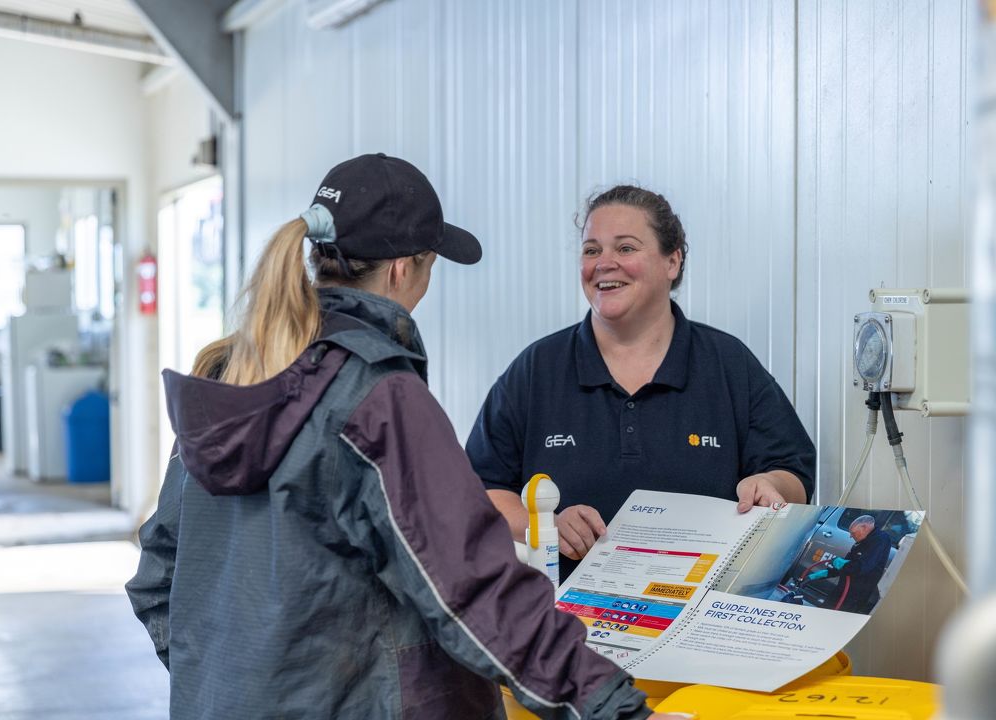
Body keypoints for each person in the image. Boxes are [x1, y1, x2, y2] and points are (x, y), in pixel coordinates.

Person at [125, 155, 686, 720]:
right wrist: (617, 708)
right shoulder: (375, 396)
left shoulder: (233, 377)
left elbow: (157, 581)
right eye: (430, 263)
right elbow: (476, 595)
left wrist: (242, 687)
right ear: (401, 270)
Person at [467, 185, 816, 581]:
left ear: (672, 261)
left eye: (626, 248)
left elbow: (794, 475)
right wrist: (543, 527)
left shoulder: (727, 364)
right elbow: (482, 488)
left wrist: (768, 485)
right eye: (592, 249)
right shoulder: (536, 371)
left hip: (697, 621)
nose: (604, 263)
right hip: (565, 625)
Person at [807, 515, 892, 613]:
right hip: (843, 588)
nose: (850, 536)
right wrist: (827, 572)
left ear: (864, 527)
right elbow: (848, 564)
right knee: (824, 610)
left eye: (853, 532)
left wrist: (841, 563)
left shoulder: (880, 540)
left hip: (855, 595)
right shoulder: (862, 540)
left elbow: (860, 567)